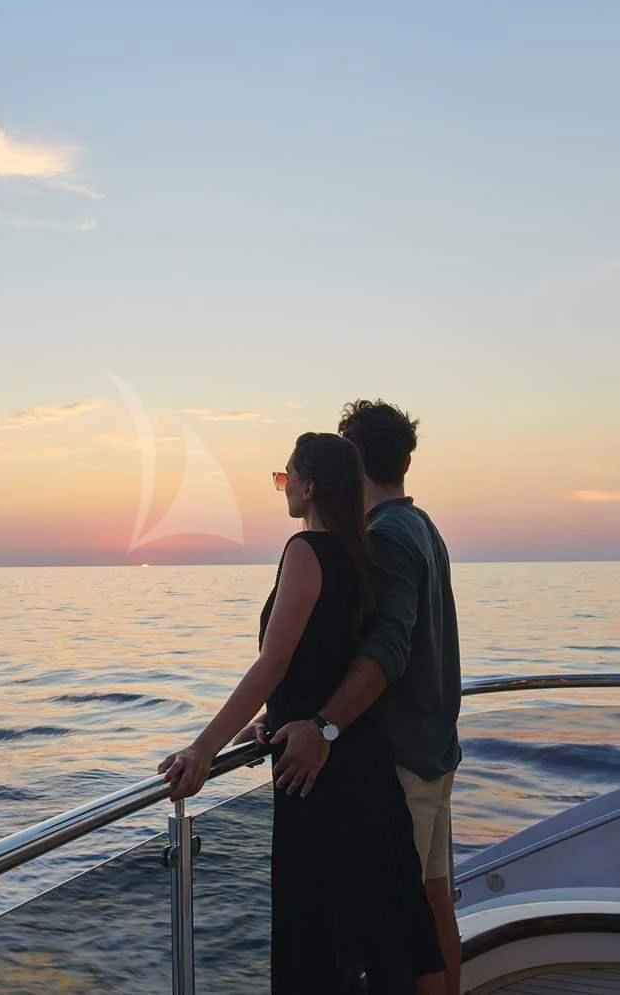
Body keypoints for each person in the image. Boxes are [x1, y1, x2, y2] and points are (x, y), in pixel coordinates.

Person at [160, 432, 442, 994]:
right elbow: (328, 662)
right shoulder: (358, 556)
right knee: (391, 940)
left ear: (308, 487)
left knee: (316, 947)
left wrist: (202, 749)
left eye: (285, 476)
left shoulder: (305, 551)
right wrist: (272, 717)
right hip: (362, 761)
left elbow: (274, 662)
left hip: (317, 777)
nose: (283, 487)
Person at [268, 401, 463, 995]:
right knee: (425, 920)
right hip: (434, 752)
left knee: (389, 947)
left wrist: (323, 728)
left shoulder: (385, 538)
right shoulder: (422, 525)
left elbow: (386, 652)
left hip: (399, 760)